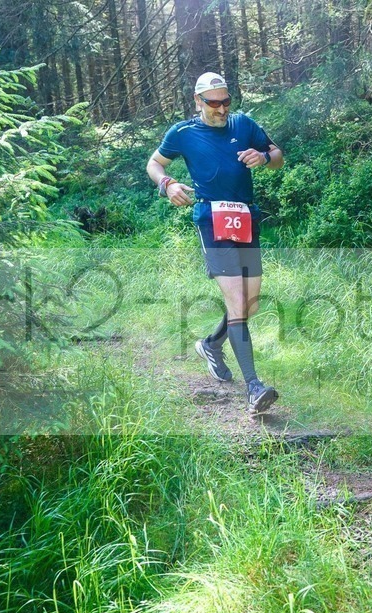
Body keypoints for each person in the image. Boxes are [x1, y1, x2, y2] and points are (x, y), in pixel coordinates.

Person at [146, 72, 284, 415]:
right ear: (198, 102)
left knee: (250, 304)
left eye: (226, 101)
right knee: (238, 302)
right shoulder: (183, 133)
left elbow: (278, 154)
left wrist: (265, 158)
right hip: (212, 221)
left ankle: (211, 345)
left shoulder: (244, 124)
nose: (221, 109)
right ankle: (253, 387)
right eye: (214, 103)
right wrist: (168, 184)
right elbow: (154, 163)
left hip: (246, 219)